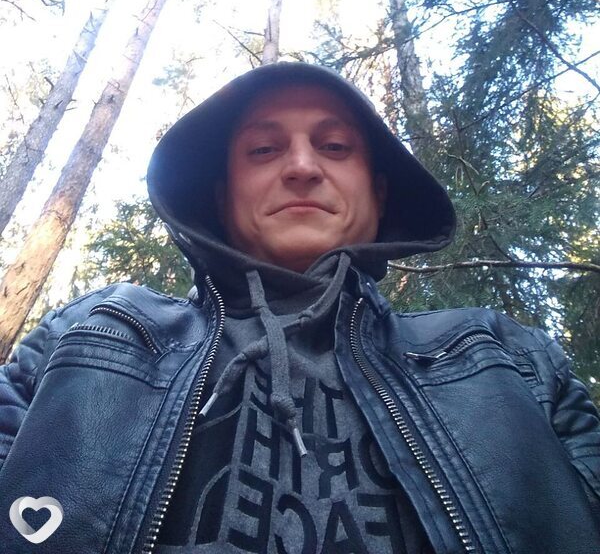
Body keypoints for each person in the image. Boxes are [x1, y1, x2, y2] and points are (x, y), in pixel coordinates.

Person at [0, 61, 598, 554]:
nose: (303, 167)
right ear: (221, 196)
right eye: (263, 149)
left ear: (378, 192)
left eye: (334, 146)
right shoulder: (96, 334)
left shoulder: (502, 358)